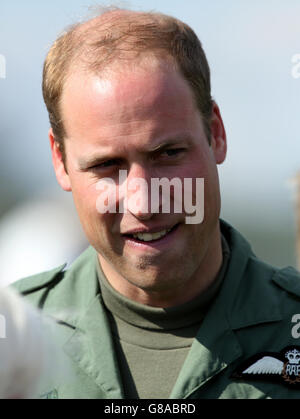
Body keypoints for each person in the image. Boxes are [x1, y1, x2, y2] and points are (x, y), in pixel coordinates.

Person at [13, 6, 300, 399]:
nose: (143, 202)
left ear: (215, 133)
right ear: (60, 162)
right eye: (107, 164)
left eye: (167, 154)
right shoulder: (12, 342)